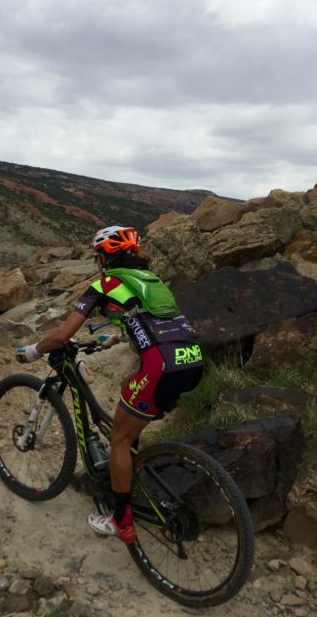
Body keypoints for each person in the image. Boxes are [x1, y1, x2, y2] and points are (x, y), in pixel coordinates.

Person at [15, 225, 204, 544]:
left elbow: (63, 336)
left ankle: (122, 522)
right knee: (129, 408)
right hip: (192, 358)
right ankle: (128, 474)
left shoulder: (104, 284)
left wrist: (34, 351)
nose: (97, 264)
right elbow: (153, 322)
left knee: (118, 438)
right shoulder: (150, 281)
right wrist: (113, 337)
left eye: (97, 258)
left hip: (161, 366)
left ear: (105, 257)